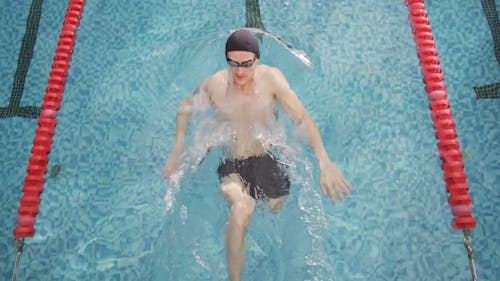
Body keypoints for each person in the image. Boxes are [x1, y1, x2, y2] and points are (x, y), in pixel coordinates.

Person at [163, 29, 351, 281]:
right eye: (233, 63)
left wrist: (324, 161)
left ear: (257, 59)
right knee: (243, 209)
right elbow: (184, 108)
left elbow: (301, 118)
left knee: (275, 207)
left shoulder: (272, 80)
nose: (240, 71)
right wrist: (178, 148)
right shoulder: (215, 85)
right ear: (227, 59)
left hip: (266, 157)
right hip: (231, 164)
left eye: (246, 64)